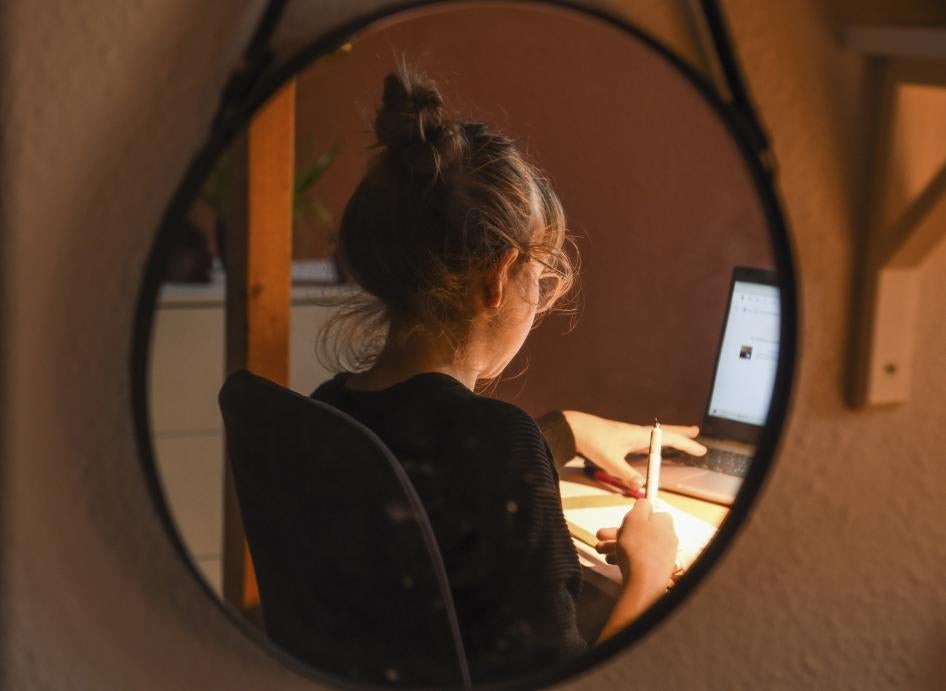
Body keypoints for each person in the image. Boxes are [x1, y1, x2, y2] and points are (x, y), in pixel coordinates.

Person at [311, 67, 705, 682]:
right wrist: (651, 572)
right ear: (500, 278)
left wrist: (566, 429)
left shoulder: (328, 410)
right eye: (542, 277)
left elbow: (423, 468)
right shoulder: (499, 444)